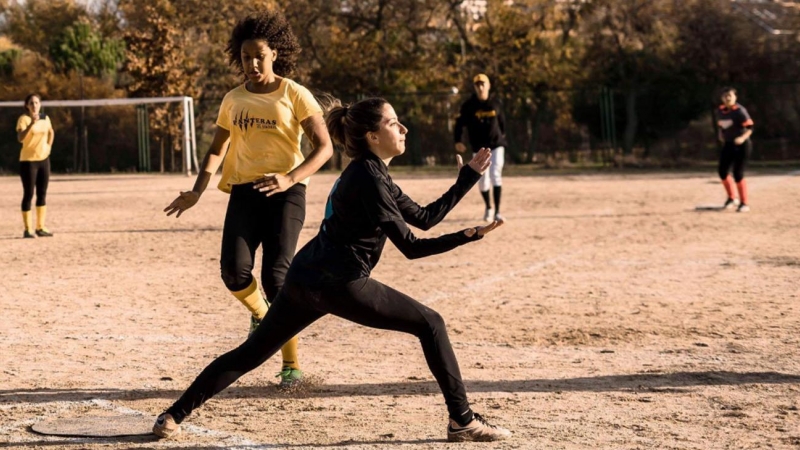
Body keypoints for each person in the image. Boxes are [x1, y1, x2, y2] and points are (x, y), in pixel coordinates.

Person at [153, 97, 512, 442]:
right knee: (431, 323)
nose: (403, 128)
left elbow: (424, 218)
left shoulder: (370, 173)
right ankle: (463, 421)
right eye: (392, 123)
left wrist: (467, 181)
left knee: (250, 354)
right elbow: (413, 247)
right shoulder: (370, 179)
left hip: (303, 278)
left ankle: (173, 415)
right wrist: (468, 236)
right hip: (340, 283)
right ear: (372, 136)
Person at [163, 10, 333, 388]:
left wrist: (290, 177)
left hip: (286, 194)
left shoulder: (294, 93)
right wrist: (197, 190)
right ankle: (262, 316)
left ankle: (291, 366)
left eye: (259, 55)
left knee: (277, 280)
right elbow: (215, 150)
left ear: (275, 52)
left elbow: (324, 149)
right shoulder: (233, 99)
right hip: (243, 192)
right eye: (245, 57)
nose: (252, 63)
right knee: (233, 272)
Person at [454, 73, 508, 222]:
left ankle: (497, 211)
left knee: (495, 175)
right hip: (478, 147)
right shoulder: (469, 105)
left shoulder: (496, 103)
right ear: (474, 87)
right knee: (482, 180)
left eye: (483, 84)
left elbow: (502, 122)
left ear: (488, 85)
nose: (481, 87)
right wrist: (458, 140)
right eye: (478, 85)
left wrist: (502, 136)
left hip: (496, 145)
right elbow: (459, 124)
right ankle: (488, 207)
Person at [16, 93, 55, 238]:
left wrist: (48, 147)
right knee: (28, 194)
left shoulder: (45, 118)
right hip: (28, 161)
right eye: (31, 103)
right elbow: (20, 138)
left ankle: (41, 227)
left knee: (42, 194)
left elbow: (51, 132)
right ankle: (28, 229)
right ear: (27, 106)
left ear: (40, 104)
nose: (34, 105)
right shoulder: (23, 119)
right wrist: (32, 123)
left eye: (36, 103)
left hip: (43, 160)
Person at [715, 87, 754, 213]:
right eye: (725, 96)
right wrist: (721, 134)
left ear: (735, 97)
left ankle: (744, 203)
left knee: (738, 173)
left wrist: (742, 138)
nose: (727, 98)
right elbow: (721, 125)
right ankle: (731, 198)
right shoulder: (720, 110)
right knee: (722, 171)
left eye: (730, 96)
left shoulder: (740, 111)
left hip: (742, 145)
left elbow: (750, 127)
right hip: (728, 144)